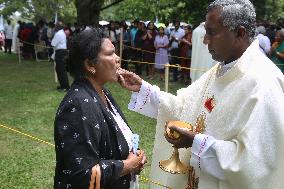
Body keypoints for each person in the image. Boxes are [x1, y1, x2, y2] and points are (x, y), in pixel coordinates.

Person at [118, 0, 284, 188]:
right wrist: (144, 89)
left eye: (211, 33)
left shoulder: (264, 82)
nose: (205, 40)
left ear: (239, 33)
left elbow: (258, 162)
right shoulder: (221, 69)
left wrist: (197, 143)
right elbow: (184, 105)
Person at [54, 27, 147, 189]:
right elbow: (82, 174)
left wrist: (134, 154)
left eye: (115, 52)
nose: (117, 58)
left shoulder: (102, 92)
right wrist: (127, 165)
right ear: (90, 65)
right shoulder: (78, 104)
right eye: (110, 54)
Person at [51, 22, 70, 91]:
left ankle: (65, 86)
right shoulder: (62, 33)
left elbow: (53, 43)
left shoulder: (58, 34)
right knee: (59, 69)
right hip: (62, 52)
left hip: (60, 52)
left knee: (61, 70)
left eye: (56, 26)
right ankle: (63, 85)